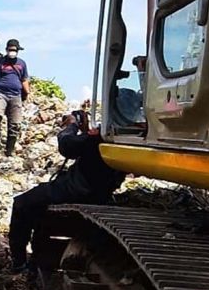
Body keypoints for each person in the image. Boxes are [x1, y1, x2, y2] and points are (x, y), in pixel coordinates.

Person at [8, 111, 125, 270]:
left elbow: (67, 145)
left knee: (22, 203)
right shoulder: (130, 136)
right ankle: (37, 259)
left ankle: (18, 262)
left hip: (76, 189)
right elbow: (90, 149)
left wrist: (72, 125)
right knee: (40, 209)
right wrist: (86, 132)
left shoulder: (107, 136)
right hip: (100, 192)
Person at [0, 39, 31, 157]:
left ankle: (9, 149)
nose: (12, 52)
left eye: (14, 50)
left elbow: (24, 79)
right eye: (10, 50)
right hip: (0, 93)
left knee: (15, 124)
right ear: (6, 50)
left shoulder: (22, 63)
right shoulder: (0, 62)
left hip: (15, 95)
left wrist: (27, 92)